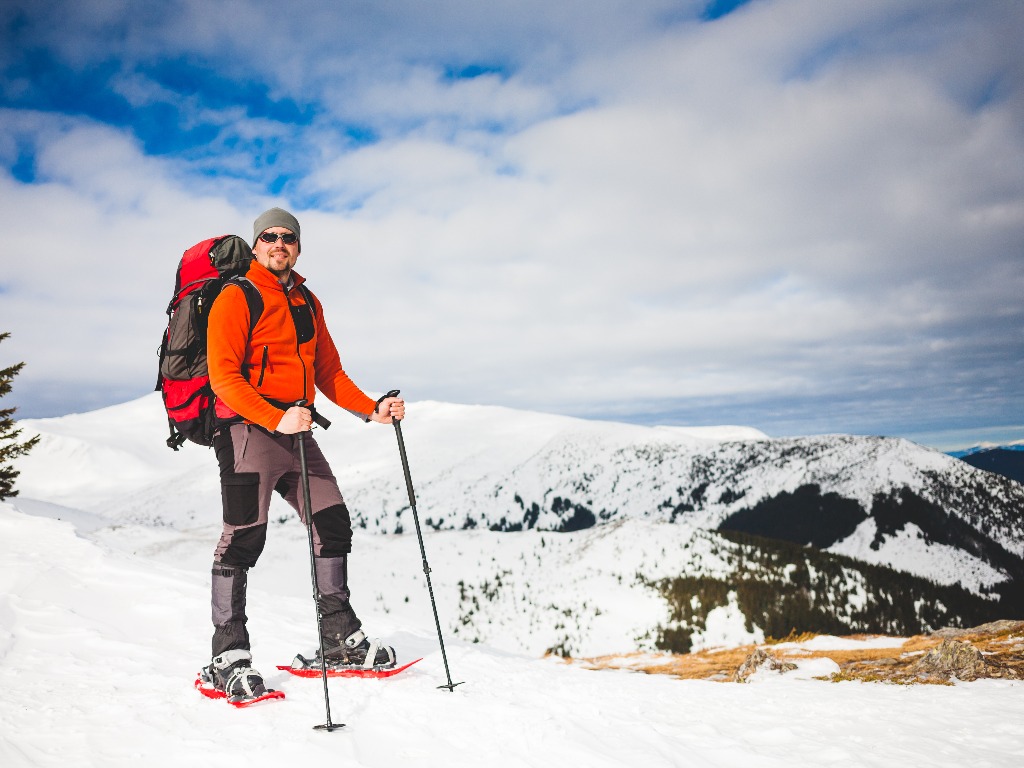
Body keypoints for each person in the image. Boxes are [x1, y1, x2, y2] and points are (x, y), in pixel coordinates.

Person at [197, 207, 405, 702]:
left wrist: (370, 408)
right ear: (256, 245)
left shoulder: (307, 301)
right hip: (247, 431)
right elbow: (223, 376)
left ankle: (338, 639)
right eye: (269, 236)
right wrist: (275, 417)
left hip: (298, 433)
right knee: (244, 538)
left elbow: (329, 373)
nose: (278, 243)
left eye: (287, 237)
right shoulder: (235, 296)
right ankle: (228, 655)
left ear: (297, 246)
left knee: (332, 522)